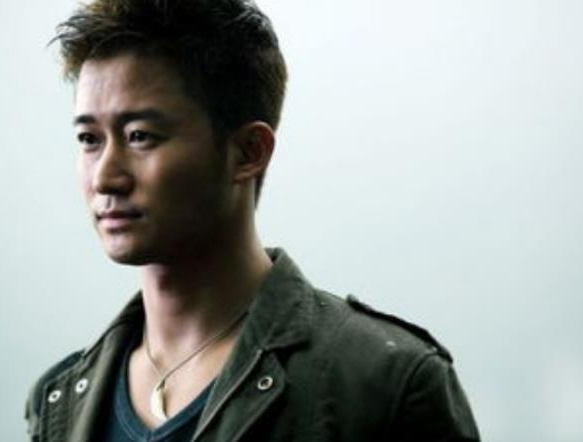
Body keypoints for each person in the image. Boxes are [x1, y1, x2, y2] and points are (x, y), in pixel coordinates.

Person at [24, 0, 480, 440]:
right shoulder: (62, 400)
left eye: (140, 136)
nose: (104, 177)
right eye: (89, 139)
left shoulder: (383, 383)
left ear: (248, 152)